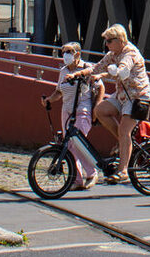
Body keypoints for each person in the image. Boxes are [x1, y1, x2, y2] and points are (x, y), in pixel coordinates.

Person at [65, 24, 150, 184]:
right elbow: (96, 67)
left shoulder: (130, 53)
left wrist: (105, 74)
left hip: (138, 96)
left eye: (109, 41)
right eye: (106, 41)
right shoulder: (113, 53)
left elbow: (122, 70)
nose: (106, 44)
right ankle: (123, 142)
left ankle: (123, 171)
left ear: (120, 40)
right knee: (100, 110)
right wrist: (78, 74)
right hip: (122, 94)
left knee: (124, 130)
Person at [41, 42, 102, 191]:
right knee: (69, 145)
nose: (65, 55)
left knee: (78, 142)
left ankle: (92, 172)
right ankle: (77, 178)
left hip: (83, 108)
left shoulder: (86, 68)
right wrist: (49, 99)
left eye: (69, 52)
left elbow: (100, 87)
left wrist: (96, 109)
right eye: (64, 52)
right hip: (67, 110)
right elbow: (59, 91)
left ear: (77, 54)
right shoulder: (63, 71)